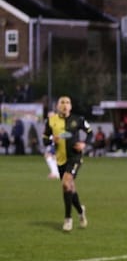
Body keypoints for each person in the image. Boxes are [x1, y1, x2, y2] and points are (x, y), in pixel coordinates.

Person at [42, 95, 92, 232]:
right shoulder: (51, 121)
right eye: (62, 102)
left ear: (70, 106)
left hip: (75, 157)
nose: (65, 105)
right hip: (60, 159)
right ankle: (81, 211)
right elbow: (45, 139)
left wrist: (84, 144)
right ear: (57, 106)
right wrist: (53, 140)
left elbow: (90, 132)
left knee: (65, 183)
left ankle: (67, 218)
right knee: (70, 188)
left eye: (67, 102)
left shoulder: (78, 119)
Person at [43, 111, 60, 178]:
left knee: (49, 155)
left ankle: (55, 173)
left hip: (56, 142)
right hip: (52, 142)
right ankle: (56, 173)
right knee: (51, 156)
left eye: (51, 116)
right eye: (49, 116)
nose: (49, 117)